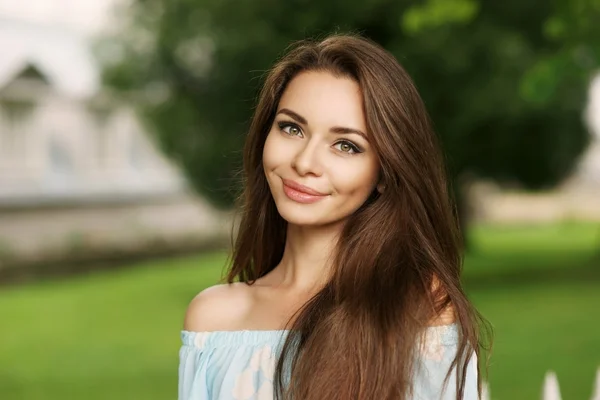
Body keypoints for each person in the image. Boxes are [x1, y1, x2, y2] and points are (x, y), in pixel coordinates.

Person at [179, 33, 489, 400]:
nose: (305, 162)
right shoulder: (213, 320)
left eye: (346, 145)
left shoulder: (418, 307)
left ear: (385, 174)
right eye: (291, 128)